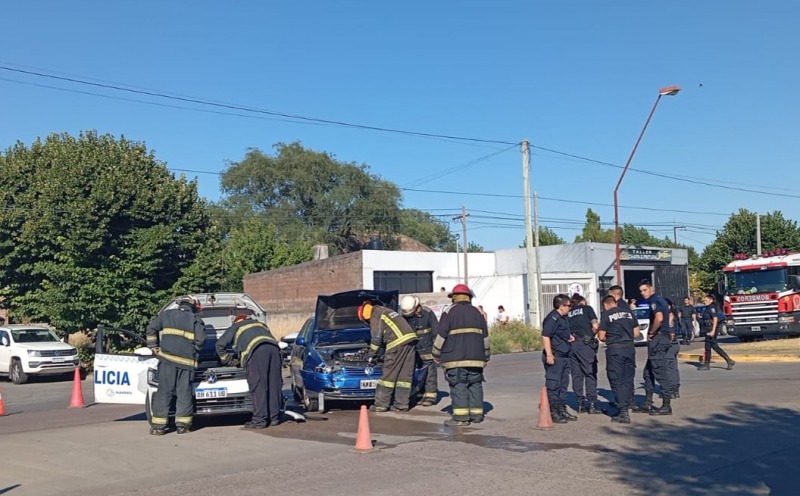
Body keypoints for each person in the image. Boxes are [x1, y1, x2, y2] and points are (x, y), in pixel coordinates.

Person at [145, 295, 206, 435]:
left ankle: (158, 427)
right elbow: (201, 340)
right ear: (194, 306)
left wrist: (153, 346)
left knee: (164, 392)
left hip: (167, 361)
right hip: (186, 364)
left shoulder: (166, 314)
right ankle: (183, 426)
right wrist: (195, 351)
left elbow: (151, 328)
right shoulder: (195, 319)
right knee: (184, 393)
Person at [433, 284, 490, 427]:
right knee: (475, 385)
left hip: (455, 359)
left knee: (459, 386)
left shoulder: (449, 311)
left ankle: (461, 418)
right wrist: (486, 355)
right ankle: (477, 415)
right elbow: (485, 337)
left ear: (454, 297)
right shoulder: (477, 312)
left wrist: (436, 353)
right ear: (469, 297)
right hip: (477, 358)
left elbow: (441, 335)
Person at [216, 314, 282, 429]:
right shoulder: (261, 325)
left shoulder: (236, 326)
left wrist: (229, 361)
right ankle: (274, 418)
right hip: (274, 350)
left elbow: (219, 345)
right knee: (274, 385)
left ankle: (259, 421)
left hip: (256, 352)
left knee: (258, 386)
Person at [359, 300, 419, 412]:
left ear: (365, 316)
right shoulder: (385, 311)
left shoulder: (375, 315)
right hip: (410, 341)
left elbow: (376, 339)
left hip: (397, 344)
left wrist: (371, 355)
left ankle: (381, 404)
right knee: (404, 377)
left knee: (388, 376)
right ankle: (401, 404)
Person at [597, 295, 640, 423]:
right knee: (628, 379)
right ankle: (627, 403)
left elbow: (601, 336)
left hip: (615, 350)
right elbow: (636, 333)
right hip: (629, 349)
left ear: (605, 305)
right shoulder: (629, 313)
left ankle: (623, 412)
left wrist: (611, 338)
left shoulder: (606, 315)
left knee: (617, 379)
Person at [637, 280, 675, 416]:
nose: (643, 293)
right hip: (660, 338)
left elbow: (659, 318)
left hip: (659, 338)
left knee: (660, 373)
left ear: (651, 289)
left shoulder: (654, 300)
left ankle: (666, 405)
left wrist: (651, 332)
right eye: (641, 291)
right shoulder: (659, 300)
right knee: (648, 373)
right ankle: (647, 403)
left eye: (645, 290)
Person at [542, 294, 576, 424]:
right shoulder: (552, 318)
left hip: (564, 356)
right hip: (555, 356)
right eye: (568, 306)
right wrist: (549, 354)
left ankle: (562, 409)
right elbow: (546, 336)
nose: (570, 308)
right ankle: (554, 412)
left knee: (563, 384)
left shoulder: (563, 318)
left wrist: (569, 337)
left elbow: (561, 334)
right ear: (561, 306)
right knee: (554, 384)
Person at [400, 295, 439, 406]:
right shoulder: (403, 316)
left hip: (428, 349)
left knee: (430, 374)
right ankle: (418, 395)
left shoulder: (427, 313)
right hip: (412, 350)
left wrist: (436, 350)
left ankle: (430, 396)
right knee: (416, 374)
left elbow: (436, 331)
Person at [567, 294, 601, 414]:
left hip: (572, 345)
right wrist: (592, 335)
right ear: (582, 301)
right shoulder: (587, 309)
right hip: (585, 344)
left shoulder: (569, 312)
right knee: (590, 373)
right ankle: (592, 404)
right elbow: (595, 326)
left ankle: (580, 404)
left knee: (577, 375)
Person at [698, 294, 735, 371]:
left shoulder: (712, 308)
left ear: (711, 300)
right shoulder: (707, 308)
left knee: (711, 347)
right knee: (711, 347)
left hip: (711, 329)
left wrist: (713, 330)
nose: (705, 301)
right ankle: (708, 364)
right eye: (704, 300)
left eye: (707, 300)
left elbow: (715, 319)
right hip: (708, 329)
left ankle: (728, 361)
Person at [665, 298, 682, 399]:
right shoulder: (672, 315)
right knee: (673, 367)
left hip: (671, 344)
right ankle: (675, 389)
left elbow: (671, 331)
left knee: (670, 367)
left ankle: (672, 389)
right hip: (675, 344)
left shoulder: (670, 316)